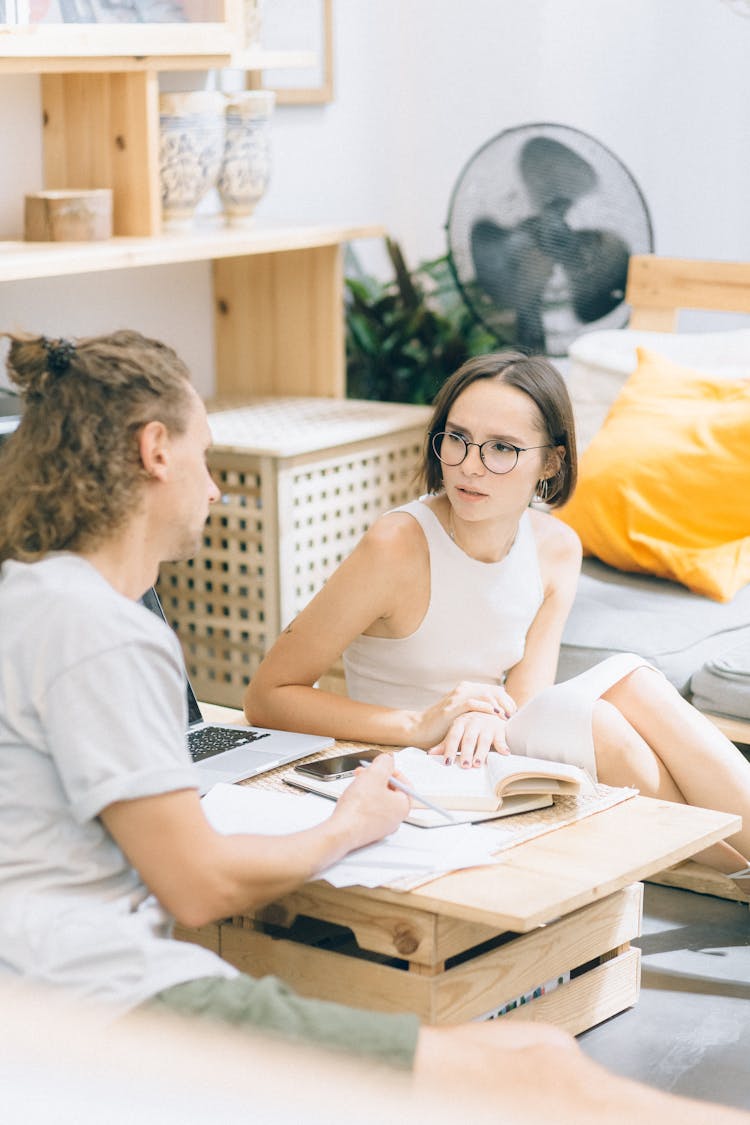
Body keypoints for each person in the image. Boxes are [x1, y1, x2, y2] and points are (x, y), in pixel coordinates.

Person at [2, 332, 748, 1125]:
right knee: (540, 1071)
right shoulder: (103, 632)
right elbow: (199, 882)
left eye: (502, 449)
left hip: (73, 971)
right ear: (156, 450)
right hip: (82, 996)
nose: (217, 489)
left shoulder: (42, 599)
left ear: (548, 463)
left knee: (542, 1050)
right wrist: (349, 824)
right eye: (207, 457)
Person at [246, 351, 750, 894]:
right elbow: (269, 695)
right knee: (600, 721)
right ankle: (731, 872)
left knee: (632, 679)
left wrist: (492, 716)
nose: (469, 465)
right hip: (421, 761)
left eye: (503, 449)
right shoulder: (397, 546)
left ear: (552, 463)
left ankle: (731, 871)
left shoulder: (556, 547)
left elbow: (527, 697)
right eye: (457, 438)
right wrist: (419, 724)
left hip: (495, 747)